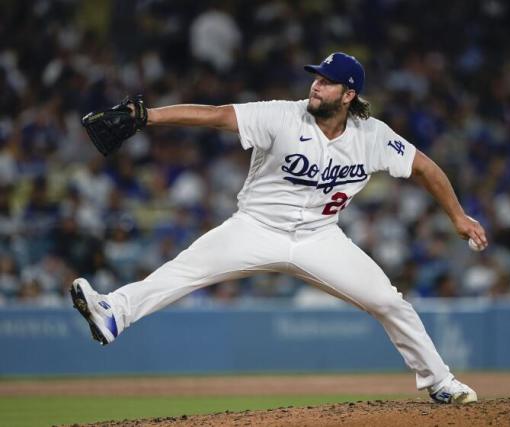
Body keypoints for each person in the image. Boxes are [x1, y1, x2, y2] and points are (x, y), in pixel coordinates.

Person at [70, 52, 488, 404]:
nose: (316, 86)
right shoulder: (282, 115)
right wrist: (148, 117)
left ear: (349, 94)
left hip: (320, 238)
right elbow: (217, 116)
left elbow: (424, 167)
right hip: (254, 228)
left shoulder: (373, 136)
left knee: (389, 302)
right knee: (184, 270)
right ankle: (113, 313)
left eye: (327, 82)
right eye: (316, 79)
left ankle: (439, 381)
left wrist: (457, 215)